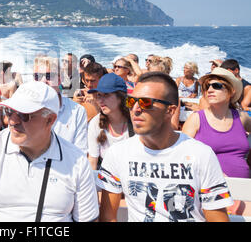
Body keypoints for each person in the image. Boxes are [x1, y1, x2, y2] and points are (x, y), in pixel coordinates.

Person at [97, 71, 234, 222]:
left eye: (145, 103)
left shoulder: (201, 154)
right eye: (131, 101)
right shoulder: (117, 153)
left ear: (170, 111)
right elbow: (107, 217)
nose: (135, 109)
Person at [0, 81, 99, 222]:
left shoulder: (77, 162)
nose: (12, 121)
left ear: (50, 120)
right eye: (9, 112)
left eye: (24, 115)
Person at [182, 68, 250, 178]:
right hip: (209, 188)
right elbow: (182, 156)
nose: (209, 90)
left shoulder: (242, 118)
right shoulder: (196, 119)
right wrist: (215, 174)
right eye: (207, 86)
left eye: (216, 86)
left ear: (231, 91)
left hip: (243, 189)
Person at [34, 55, 88, 154]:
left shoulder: (77, 112)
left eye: (49, 76)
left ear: (60, 78)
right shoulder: (26, 110)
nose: (43, 81)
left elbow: (81, 153)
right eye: (37, 76)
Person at [86, 73, 134, 170]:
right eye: (99, 95)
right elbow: (92, 160)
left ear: (120, 97)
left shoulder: (135, 121)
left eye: (106, 95)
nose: (100, 100)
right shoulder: (95, 123)